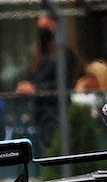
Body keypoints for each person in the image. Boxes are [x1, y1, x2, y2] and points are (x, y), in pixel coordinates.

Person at [16, 15, 80, 151]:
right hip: (41, 112)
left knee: (55, 149)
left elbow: (62, 83)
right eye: (41, 28)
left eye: (47, 27)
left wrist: (35, 89)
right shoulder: (42, 55)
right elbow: (37, 78)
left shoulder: (64, 52)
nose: (43, 32)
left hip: (56, 111)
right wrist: (27, 87)